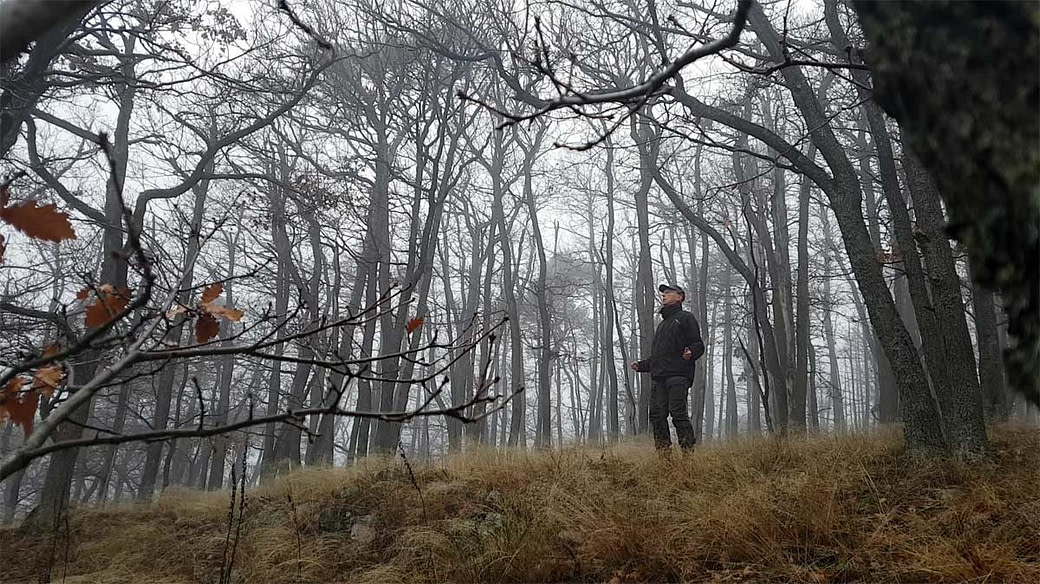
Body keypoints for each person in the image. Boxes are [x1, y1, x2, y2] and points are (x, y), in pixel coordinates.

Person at [630, 283, 705, 453]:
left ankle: (688, 452)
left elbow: (698, 344)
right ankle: (663, 454)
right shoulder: (662, 325)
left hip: (678, 375)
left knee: (677, 413)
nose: (664, 295)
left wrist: (691, 352)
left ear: (680, 297)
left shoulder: (686, 318)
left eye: (668, 293)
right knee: (656, 415)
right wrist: (642, 365)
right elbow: (659, 357)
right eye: (663, 293)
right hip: (659, 377)